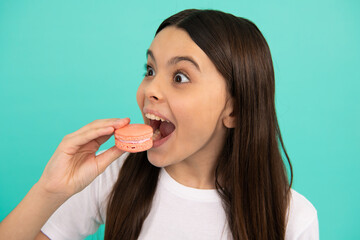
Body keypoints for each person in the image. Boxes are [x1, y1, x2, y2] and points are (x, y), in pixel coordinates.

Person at [0, 9, 319, 240]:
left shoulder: (292, 218)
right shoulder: (114, 176)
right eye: (150, 70)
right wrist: (49, 191)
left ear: (233, 109)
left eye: (180, 77)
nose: (149, 89)